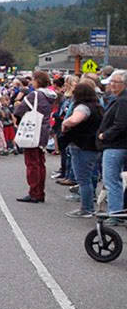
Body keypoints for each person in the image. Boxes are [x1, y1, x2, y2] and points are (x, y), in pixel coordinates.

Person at [61, 80, 103, 219]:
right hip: (93, 145)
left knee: (83, 179)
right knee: (90, 177)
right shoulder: (97, 106)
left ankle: (86, 208)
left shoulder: (83, 107)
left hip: (81, 146)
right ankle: (89, 206)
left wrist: (65, 122)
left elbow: (74, 120)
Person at [13, 70, 56, 204]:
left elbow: (20, 110)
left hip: (33, 129)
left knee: (31, 163)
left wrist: (18, 107)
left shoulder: (35, 95)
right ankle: (40, 192)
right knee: (40, 162)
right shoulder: (52, 95)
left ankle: (34, 192)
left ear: (37, 81)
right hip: (44, 129)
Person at [98, 70, 127, 223]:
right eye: (111, 82)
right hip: (118, 145)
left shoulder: (123, 100)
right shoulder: (118, 99)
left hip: (116, 145)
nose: (111, 84)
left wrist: (105, 135)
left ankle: (115, 214)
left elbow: (121, 124)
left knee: (111, 180)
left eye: (115, 82)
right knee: (115, 180)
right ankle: (118, 211)